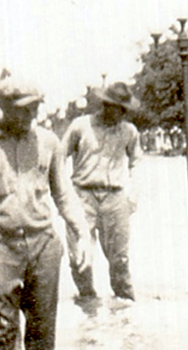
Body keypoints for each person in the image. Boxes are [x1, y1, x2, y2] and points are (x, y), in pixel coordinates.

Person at [0, 78, 88, 350]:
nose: (31, 116)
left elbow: (63, 194)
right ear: (4, 107)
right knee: (3, 326)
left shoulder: (48, 142)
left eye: (34, 109)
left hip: (44, 243)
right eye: (24, 110)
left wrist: (81, 232)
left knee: (43, 323)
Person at [60, 81, 142, 304]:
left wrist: (133, 195)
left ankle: (124, 304)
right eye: (114, 107)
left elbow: (137, 162)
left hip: (115, 197)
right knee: (79, 254)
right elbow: (59, 157)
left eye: (123, 109)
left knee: (120, 257)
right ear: (106, 105)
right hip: (82, 195)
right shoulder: (81, 126)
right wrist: (64, 194)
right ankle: (88, 303)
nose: (118, 113)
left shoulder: (129, 131)